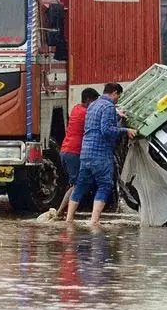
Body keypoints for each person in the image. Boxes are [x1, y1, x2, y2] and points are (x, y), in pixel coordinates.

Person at [66, 83, 137, 225]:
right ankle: (94, 221)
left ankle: (69, 219)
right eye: (118, 96)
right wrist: (125, 130)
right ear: (115, 93)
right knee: (105, 185)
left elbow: (97, 125)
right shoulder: (109, 106)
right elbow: (106, 130)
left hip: (86, 152)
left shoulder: (93, 105)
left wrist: (117, 117)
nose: (117, 99)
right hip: (100, 153)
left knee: (81, 185)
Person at [56, 88, 100, 217]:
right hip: (74, 152)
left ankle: (62, 212)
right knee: (78, 185)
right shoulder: (86, 113)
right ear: (87, 100)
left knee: (75, 184)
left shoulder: (76, 109)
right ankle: (63, 213)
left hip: (65, 150)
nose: (95, 104)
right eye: (94, 101)